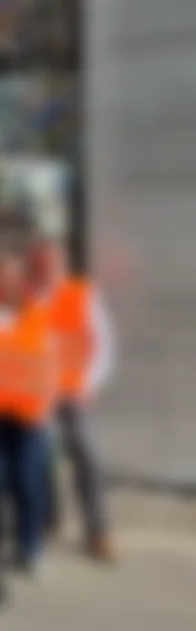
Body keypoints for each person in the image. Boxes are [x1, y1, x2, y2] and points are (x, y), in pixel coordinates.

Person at [34, 238, 114, 560]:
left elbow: (104, 343)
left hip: (71, 392)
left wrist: (89, 382)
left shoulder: (80, 295)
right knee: (36, 460)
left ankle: (97, 530)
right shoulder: (25, 298)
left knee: (84, 457)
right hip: (34, 395)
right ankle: (45, 522)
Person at [0, 239, 56, 574]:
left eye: (10, 275)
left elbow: (51, 363)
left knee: (28, 483)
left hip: (31, 416)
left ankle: (30, 547)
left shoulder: (36, 314)